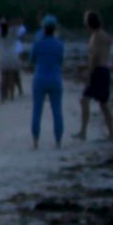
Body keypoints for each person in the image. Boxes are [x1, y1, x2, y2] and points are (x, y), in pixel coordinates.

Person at [28, 14, 66, 149]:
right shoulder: (60, 45)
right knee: (57, 112)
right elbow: (61, 61)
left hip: (40, 79)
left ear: (43, 28)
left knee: (37, 111)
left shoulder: (37, 44)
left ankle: (36, 141)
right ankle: (58, 142)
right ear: (55, 28)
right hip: (55, 79)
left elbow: (31, 60)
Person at [78, 10, 113, 140]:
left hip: (97, 71)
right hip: (105, 70)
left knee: (84, 100)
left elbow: (94, 57)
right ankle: (112, 132)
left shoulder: (95, 37)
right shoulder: (106, 36)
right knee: (103, 103)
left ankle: (83, 132)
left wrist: (88, 74)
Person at [0, 17, 20, 103]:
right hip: (12, 55)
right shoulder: (13, 32)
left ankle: (3, 96)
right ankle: (11, 95)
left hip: (3, 55)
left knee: (3, 76)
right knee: (11, 76)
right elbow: (17, 26)